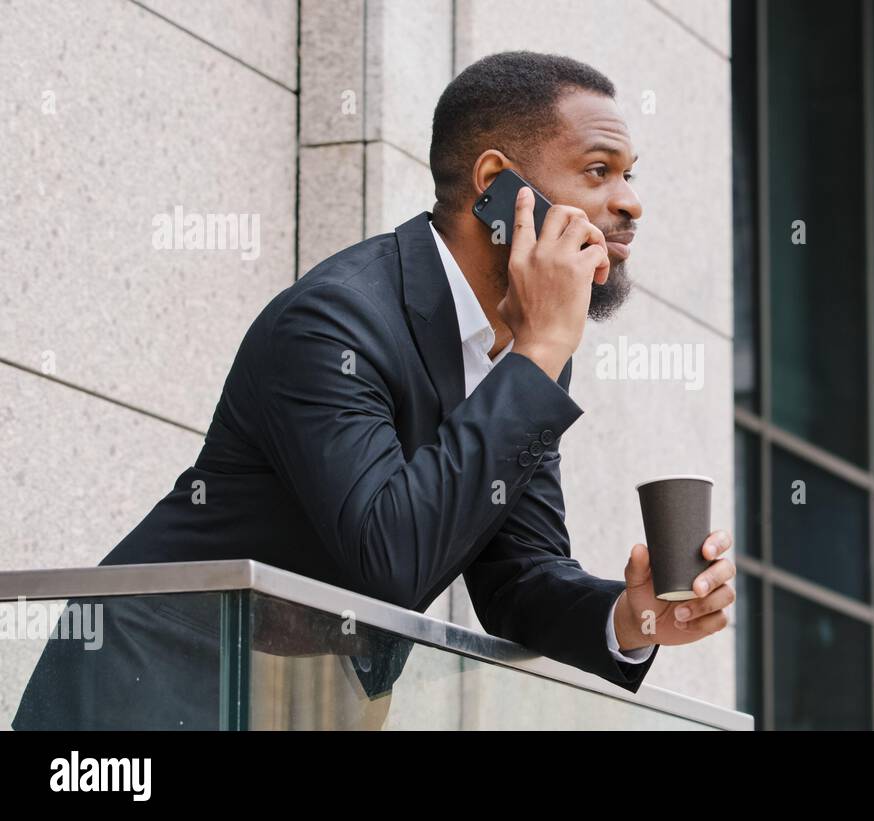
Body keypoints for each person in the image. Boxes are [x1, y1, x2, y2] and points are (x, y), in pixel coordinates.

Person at [12, 50, 735, 730]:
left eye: (631, 175)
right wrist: (541, 351)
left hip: (295, 697)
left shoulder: (525, 352)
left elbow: (519, 576)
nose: (631, 203)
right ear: (497, 186)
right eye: (600, 170)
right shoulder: (336, 320)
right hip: (147, 686)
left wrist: (634, 618)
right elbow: (389, 556)